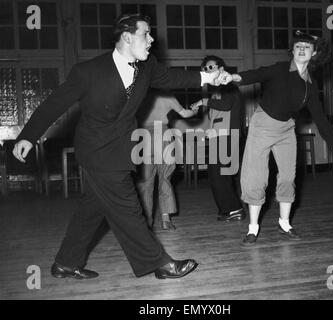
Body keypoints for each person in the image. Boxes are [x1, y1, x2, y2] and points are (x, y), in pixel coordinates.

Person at [12, 14, 232, 280]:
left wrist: (210, 78)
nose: (152, 40)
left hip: (121, 147)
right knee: (128, 206)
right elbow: (55, 103)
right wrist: (28, 136)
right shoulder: (89, 71)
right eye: (146, 34)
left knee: (92, 209)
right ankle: (160, 264)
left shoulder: (147, 66)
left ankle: (65, 263)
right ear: (127, 38)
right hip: (96, 150)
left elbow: (174, 78)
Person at [232, 31, 333, 245]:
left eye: (306, 47)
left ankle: (285, 224)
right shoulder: (280, 69)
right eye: (298, 45)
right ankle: (253, 229)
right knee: (256, 178)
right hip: (262, 124)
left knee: (288, 177)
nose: (301, 49)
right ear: (292, 50)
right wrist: (234, 77)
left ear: (314, 53)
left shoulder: (310, 84)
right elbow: (256, 74)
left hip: (286, 129)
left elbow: (320, 117)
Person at [190, 55, 246, 222]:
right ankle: (229, 209)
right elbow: (219, 117)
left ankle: (234, 209)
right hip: (219, 138)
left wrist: (202, 101)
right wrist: (210, 131)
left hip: (228, 138)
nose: (208, 71)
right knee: (217, 175)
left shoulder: (229, 87)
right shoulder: (216, 93)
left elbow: (227, 106)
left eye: (211, 67)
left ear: (221, 69)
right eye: (206, 69)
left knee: (219, 174)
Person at [135, 89, 197, 230]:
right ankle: (165, 220)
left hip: (143, 136)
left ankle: (147, 222)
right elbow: (185, 114)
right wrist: (195, 110)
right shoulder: (166, 95)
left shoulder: (138, 93)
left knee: (146, 181)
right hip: (163, 135)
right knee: (165, 177)